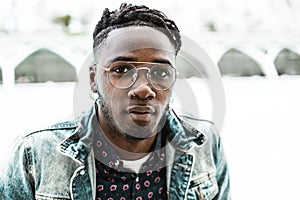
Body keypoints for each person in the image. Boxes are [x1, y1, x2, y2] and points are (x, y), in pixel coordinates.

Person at [0, 3, 231, 199]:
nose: (143, 89)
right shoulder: (35, 153)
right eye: (121, 69)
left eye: (161, 73)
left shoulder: (205, 144)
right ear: (93, 79)